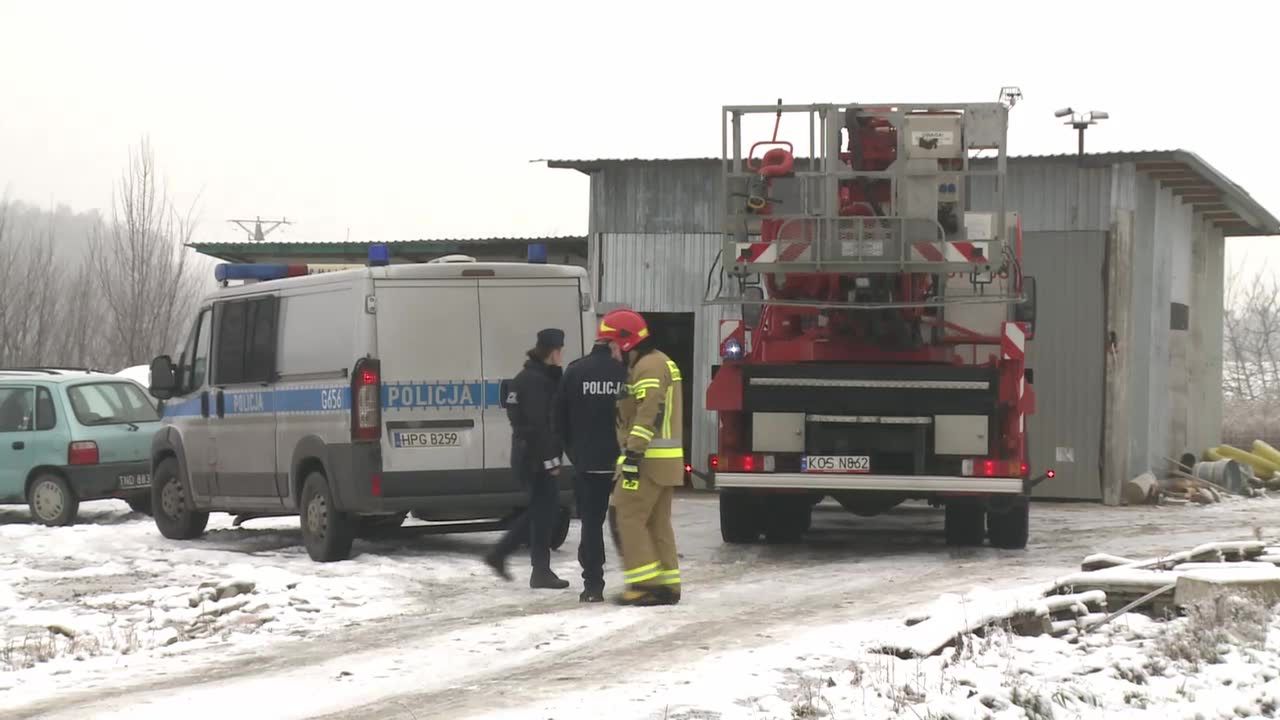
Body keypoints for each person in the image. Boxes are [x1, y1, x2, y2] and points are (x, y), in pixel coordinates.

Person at [596, 309, 685, 607]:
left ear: (624, 341)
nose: (609, 352)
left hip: (647, 460)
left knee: (626, 516)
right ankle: (667, 585)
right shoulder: (659, 362)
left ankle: (645, 585)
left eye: (609, 344)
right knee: (658, 522)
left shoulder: (648, 366)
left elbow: (649, 412)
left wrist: (633, 454)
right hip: (662, 462)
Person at [484, 328, 570, 590]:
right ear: (552, 351)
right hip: (536, 457)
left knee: (542, 511)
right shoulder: (535, 381)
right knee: (542, 510)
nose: (561, 355)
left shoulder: (530, 377)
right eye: (559, 350)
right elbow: (538, 425)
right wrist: (550, 461)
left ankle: (537, 570)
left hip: (528, 455)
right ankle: (503, 554)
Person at [555, 333, 627, 603]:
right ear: (614, 345)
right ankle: (638, 580)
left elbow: (559, 418)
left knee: (592, 525)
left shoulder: (575, 372)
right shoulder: (625, 372)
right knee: (629, 522)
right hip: (622, 462)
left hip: (587, 463)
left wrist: (574, 453)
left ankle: (593, 586)